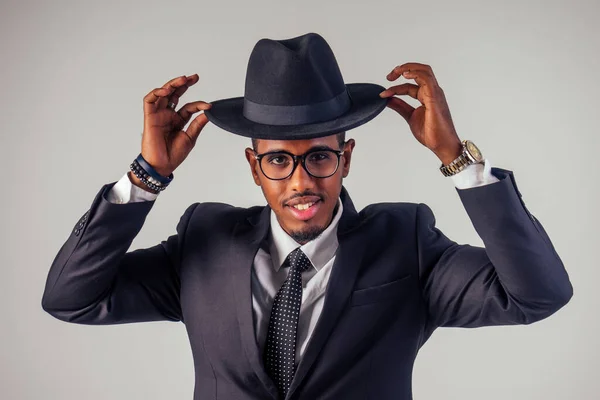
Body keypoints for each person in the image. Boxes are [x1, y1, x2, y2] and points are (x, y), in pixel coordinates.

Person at [41, 32, 573, 400]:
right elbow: (71, 298)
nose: (301, 182)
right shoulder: (205, 241)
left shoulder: (405, 241)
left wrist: (457, 160)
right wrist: (143, 179)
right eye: (278, 159)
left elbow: (537, 295)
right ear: (254, 167)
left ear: (346, 158)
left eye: (320, 156)